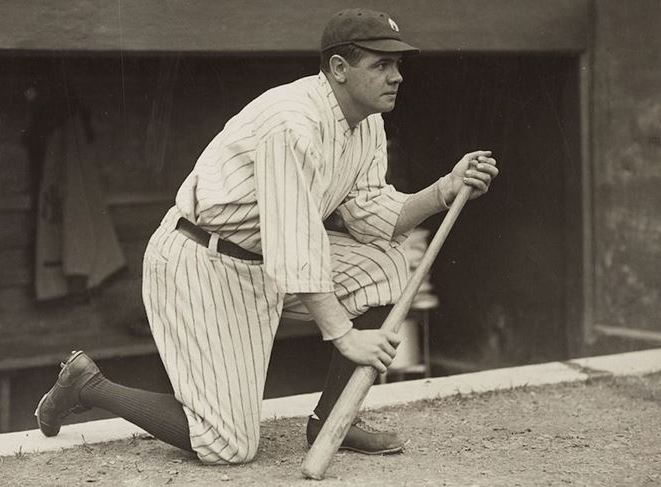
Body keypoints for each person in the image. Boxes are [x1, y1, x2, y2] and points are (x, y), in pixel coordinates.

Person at [35, 8, 498, 465]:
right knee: (228, 445)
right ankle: (88, 385)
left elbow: (369, 214)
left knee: (387, 264)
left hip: (265, 265)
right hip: (203, 262)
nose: (396, 76)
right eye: (381, 64)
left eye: (397, 64)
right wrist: (343, 335)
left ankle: (333, 419)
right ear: (338, 68)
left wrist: (443, 191)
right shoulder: (294, 121)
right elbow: (295, 246)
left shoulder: (367, 122)